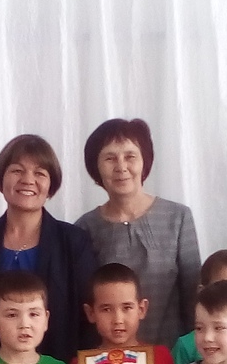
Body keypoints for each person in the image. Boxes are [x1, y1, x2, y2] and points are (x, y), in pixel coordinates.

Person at [0, 134, 99, 360]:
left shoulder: (74, 241)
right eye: (17, 170)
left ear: (51, 185)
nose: (28, 180)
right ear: (1, 178)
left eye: (39, 173)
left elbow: (89, 317)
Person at [74, 118, 202, 348]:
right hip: (108, 361)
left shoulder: (178, 217)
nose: (121, 167)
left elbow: (192, 297)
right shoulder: (84, 228)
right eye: (110, 158)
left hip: (171, 356)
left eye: (130, 156)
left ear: (145, 161)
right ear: (96, 167)